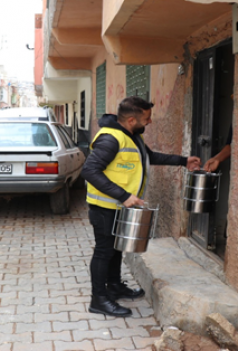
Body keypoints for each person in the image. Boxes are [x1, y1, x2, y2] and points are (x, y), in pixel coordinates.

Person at [81, 96, 201, 317]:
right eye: (146, 118)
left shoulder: (131, 136)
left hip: (119, 207)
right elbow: (89, 171)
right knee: (104, 252)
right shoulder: (110, 139)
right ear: (130, 120)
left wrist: (183, 161)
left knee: (116, 247)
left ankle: (114, 286)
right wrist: (124, 195)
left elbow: (150, 156)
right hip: (105, 207)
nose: (150, 122)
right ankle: (98, 299)